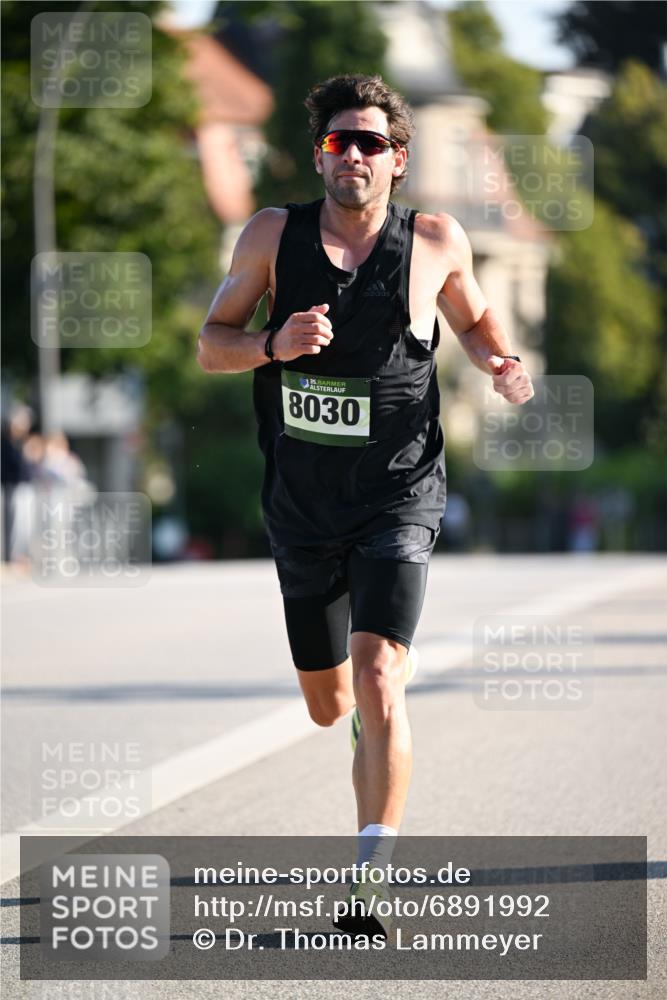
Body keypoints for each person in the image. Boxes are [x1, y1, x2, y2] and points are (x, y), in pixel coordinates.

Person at [198, 74, 534, 936]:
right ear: (320, 153)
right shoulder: (273, 234)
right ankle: (356, 727)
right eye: (337, 141)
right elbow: (211, 345)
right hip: (301, 503)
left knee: (382, 673)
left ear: (398, 159)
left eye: (369, 142)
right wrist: (272, 343)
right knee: (329, 701)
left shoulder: (433, 240)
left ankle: (370, 879)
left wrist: (501, 365)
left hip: (399, 493)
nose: (351, 154)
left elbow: (475, 320)